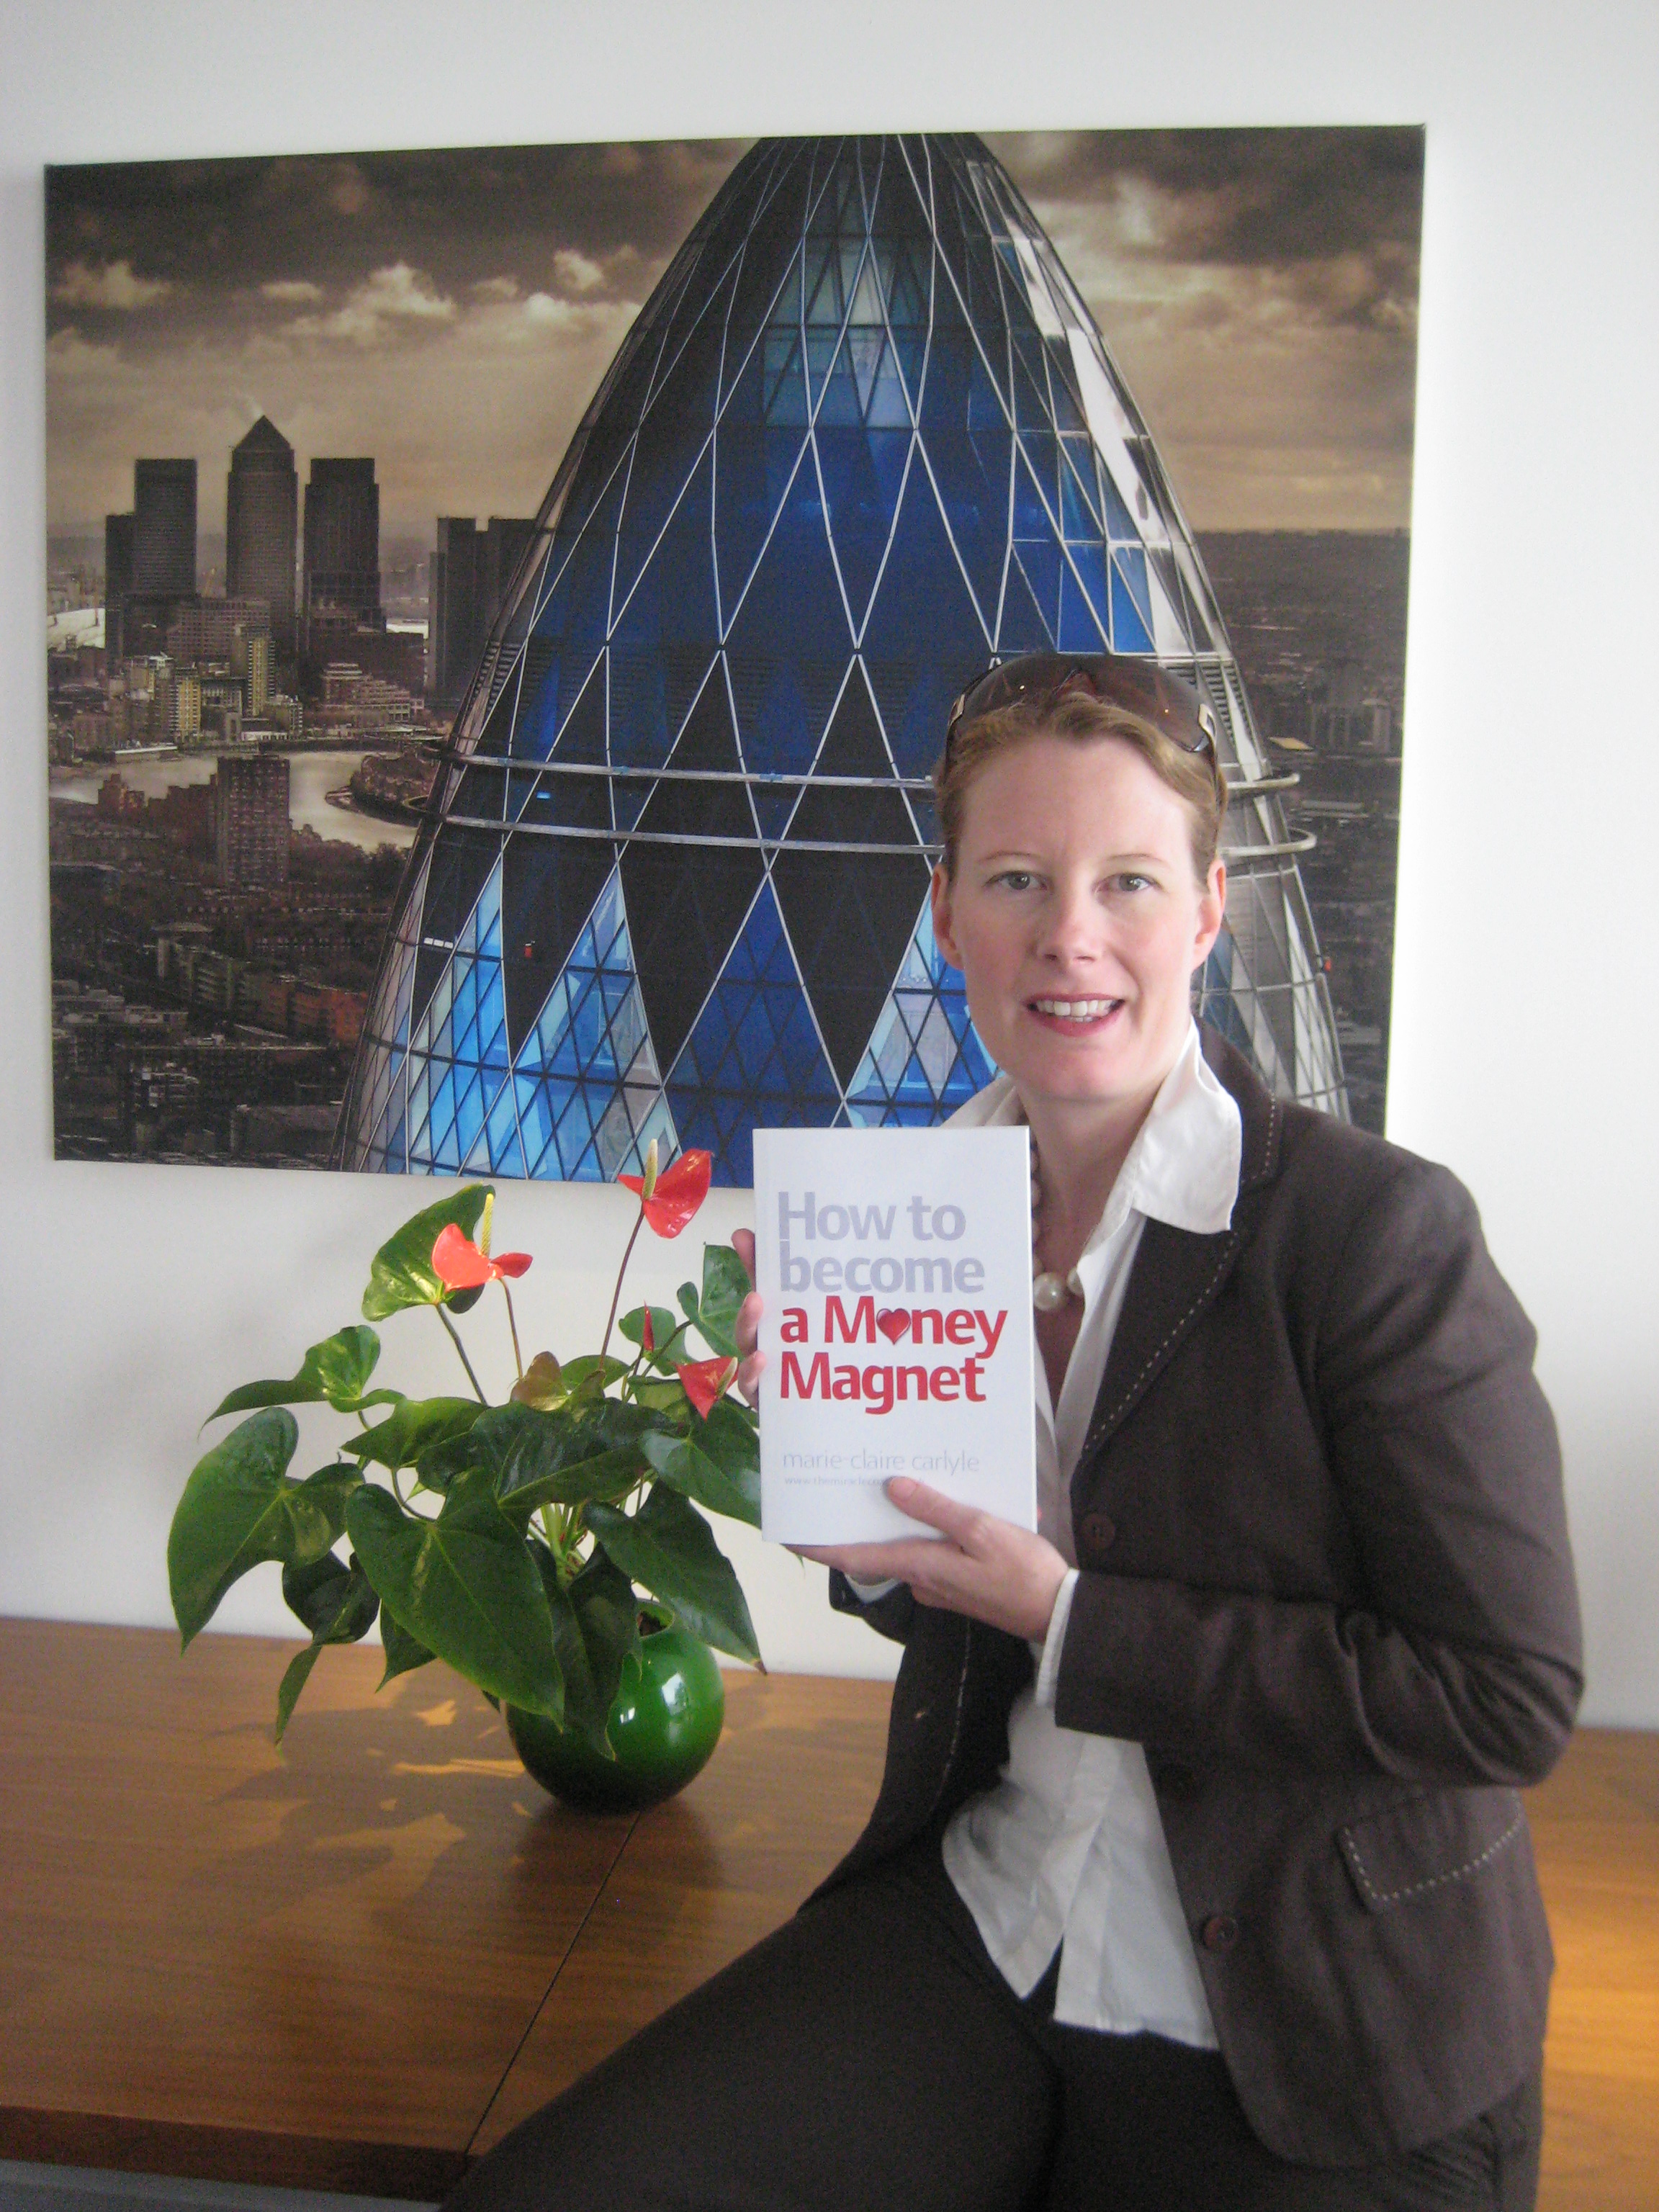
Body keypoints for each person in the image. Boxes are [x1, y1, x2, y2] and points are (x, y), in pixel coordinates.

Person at [449, 651, 1581, 2212]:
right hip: (994, 1917)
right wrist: (858, 1512)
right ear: (945, 914)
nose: (1070, 937)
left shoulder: (1372, 1236)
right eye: (1015, 879)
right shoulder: (915, 1215)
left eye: (1126, 880)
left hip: (1312, 2019)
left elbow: (1505, 1697)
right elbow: (945, 1592)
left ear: (1206, 909)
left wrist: (1070, 1617)